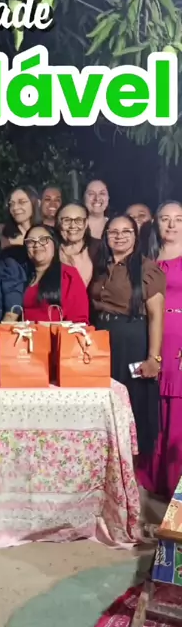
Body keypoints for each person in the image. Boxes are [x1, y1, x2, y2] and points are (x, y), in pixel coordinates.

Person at [90, 215, 165, 457]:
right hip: (102, 341)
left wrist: (154, 358)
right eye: (113, 232)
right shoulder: (100, 267)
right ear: (106, 236)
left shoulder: (147, 269)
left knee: (132, 404)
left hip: (132, 340)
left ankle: (132, 469)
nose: (119, 236)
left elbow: (156, 316)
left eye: (126, 232)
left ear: (135, 236)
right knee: (105, 404)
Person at [139, 201, 182, 497]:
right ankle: (150, 478)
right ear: (156, 223)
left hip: (179, 342)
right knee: (151, 404)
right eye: (165, 219)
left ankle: (175, 481)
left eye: (178, 219)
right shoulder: (146, 258)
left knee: (177, 409)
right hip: (151, 339)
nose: (171, 224)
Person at [22, 225, 89, 323]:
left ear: (55, 244)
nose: (37, 245)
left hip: (56, 332)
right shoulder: (19, 274)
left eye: (43, 239)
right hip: (21, 332)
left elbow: (79, 320)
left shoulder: (68, 275)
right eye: (31, 241)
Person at [57, 202, 100, 286]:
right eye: (67, 220)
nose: (73, 226)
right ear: (59, 223)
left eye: (78, 220)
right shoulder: (50, 249)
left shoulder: (98, 249)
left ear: (86, 223)